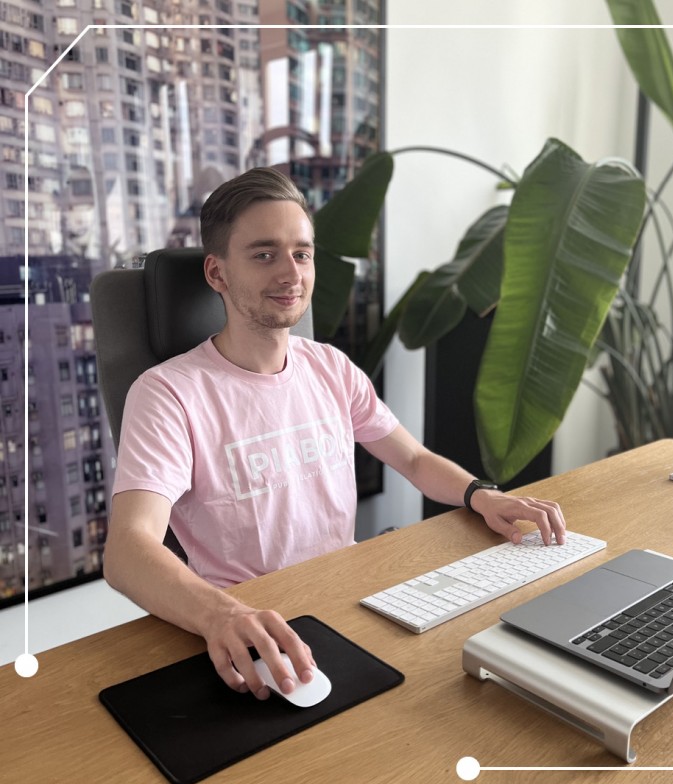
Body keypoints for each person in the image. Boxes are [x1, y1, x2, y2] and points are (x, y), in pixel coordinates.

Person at [103, 167, 566, 702]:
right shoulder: (168, 393)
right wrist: (223, 615)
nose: (290, 274)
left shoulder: (330, 367)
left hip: (351, 602)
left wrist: (481, 495)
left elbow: (412, 459)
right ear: (217, 273)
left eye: (302, 253)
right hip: (255, 629)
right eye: (263, 254)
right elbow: (129, 550)